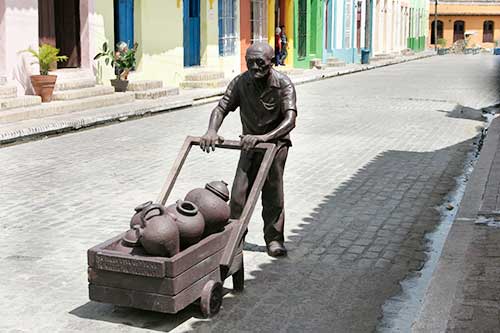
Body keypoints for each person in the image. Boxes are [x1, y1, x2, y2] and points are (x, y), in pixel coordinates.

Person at [200, 42, 297, 257]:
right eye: (250, 62)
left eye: (260, 63)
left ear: (271, 62)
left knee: (272, 193)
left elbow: (290, 120)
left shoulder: (284, 84)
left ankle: (274, 239)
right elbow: (222, 107)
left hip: (275, 144)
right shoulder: (240, 82)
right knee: (238, 195)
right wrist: (211, 130)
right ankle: (235, 238)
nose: (254, 68)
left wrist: (264, 137)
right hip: (249, 144)